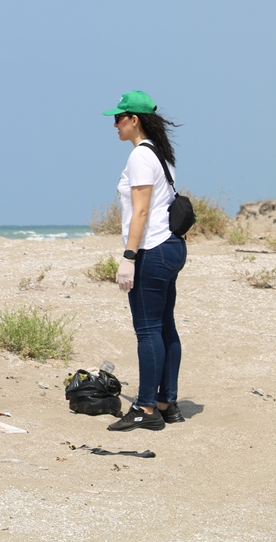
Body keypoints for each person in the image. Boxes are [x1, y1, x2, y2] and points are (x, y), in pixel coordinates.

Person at [103, 91, 188, 432]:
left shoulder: (140, 156)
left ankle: (146, 409)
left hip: (152, 250)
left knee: (148, 330)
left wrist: (128, 257)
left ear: (134, 120)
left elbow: (140, 211)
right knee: (165, 325)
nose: (115, 124)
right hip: (172, 247)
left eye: (119, 118)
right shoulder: (162, 154)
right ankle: (167, 403)